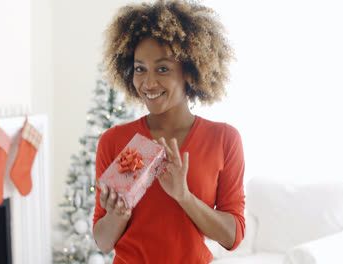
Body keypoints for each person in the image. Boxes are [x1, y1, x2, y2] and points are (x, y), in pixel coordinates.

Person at [93, 1, 245, 263]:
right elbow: (104, 242)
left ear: (189, 71)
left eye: (162, 68)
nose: (148, 82)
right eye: (140, 69)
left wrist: (184, 196)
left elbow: (233, 236)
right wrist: (118, 214)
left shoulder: (224, 139)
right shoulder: (114, 140)